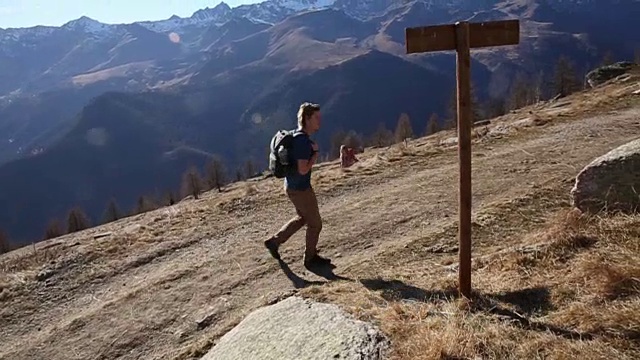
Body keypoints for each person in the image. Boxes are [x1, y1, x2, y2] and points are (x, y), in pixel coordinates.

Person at [264, 102, 332, 268]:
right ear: (307, 119)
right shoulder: (302, 142)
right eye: (316, 117)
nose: (319, 121)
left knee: (302, 218)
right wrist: (315, 154)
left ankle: (274, 242)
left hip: (291, 186)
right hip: (301, 189)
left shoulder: (296, 135)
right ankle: (310, 259)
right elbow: (303, 169)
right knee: (315, 224)